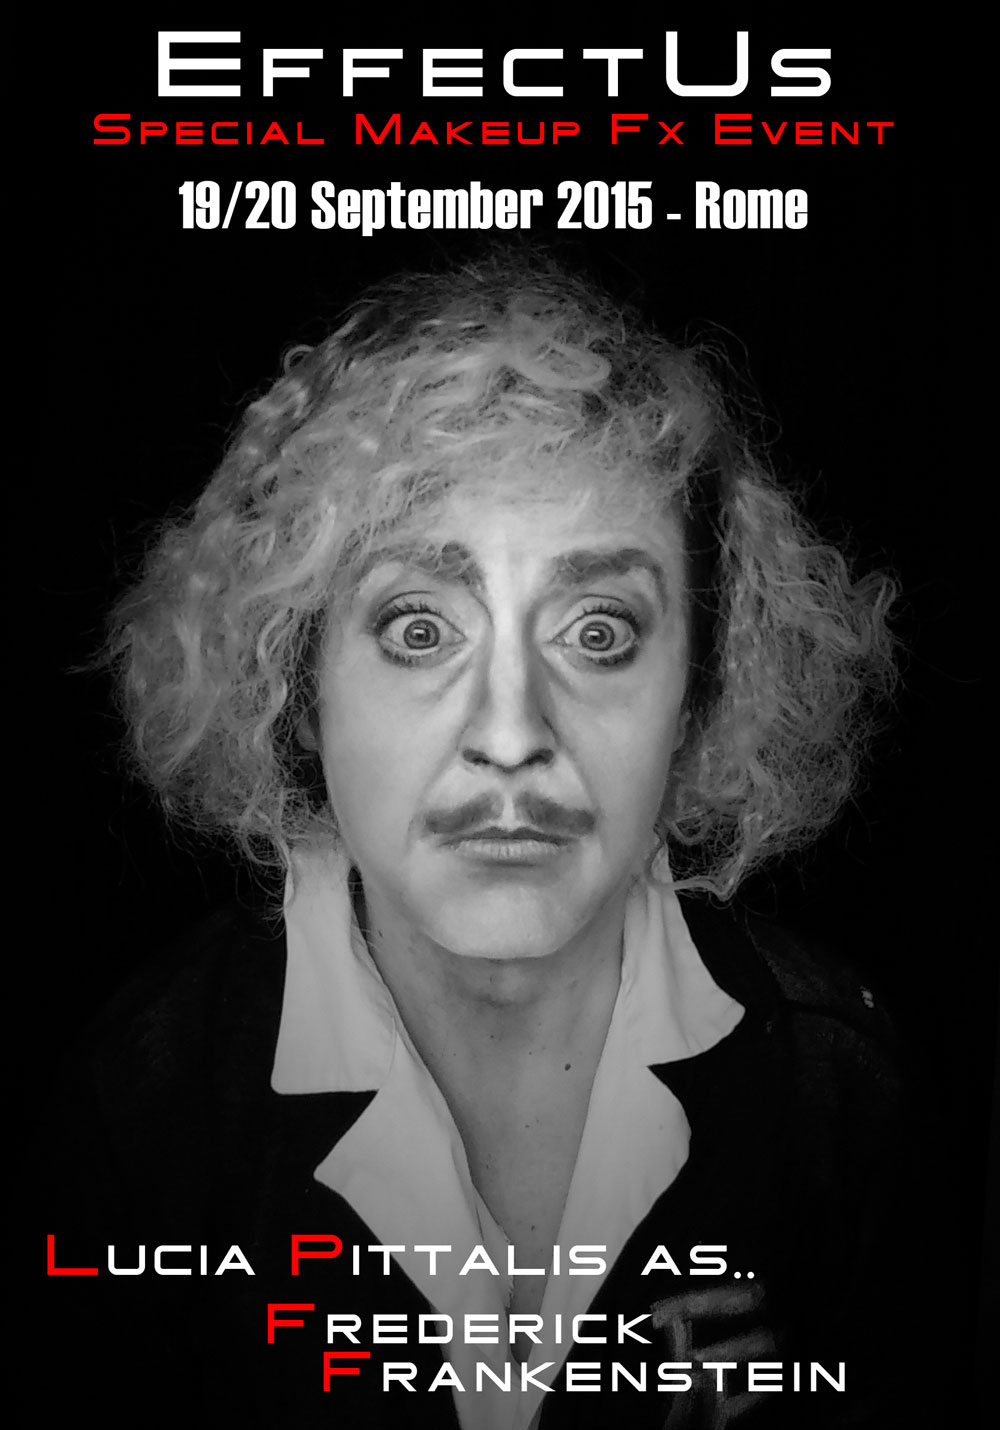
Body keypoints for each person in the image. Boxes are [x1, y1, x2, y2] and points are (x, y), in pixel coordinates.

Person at [43, 253, 908, 1428]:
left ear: (696, 693)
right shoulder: (141, 1113)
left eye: (598, 630)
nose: (509, 735)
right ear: (298, 687)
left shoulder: (837, 1092)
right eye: (418, 627)